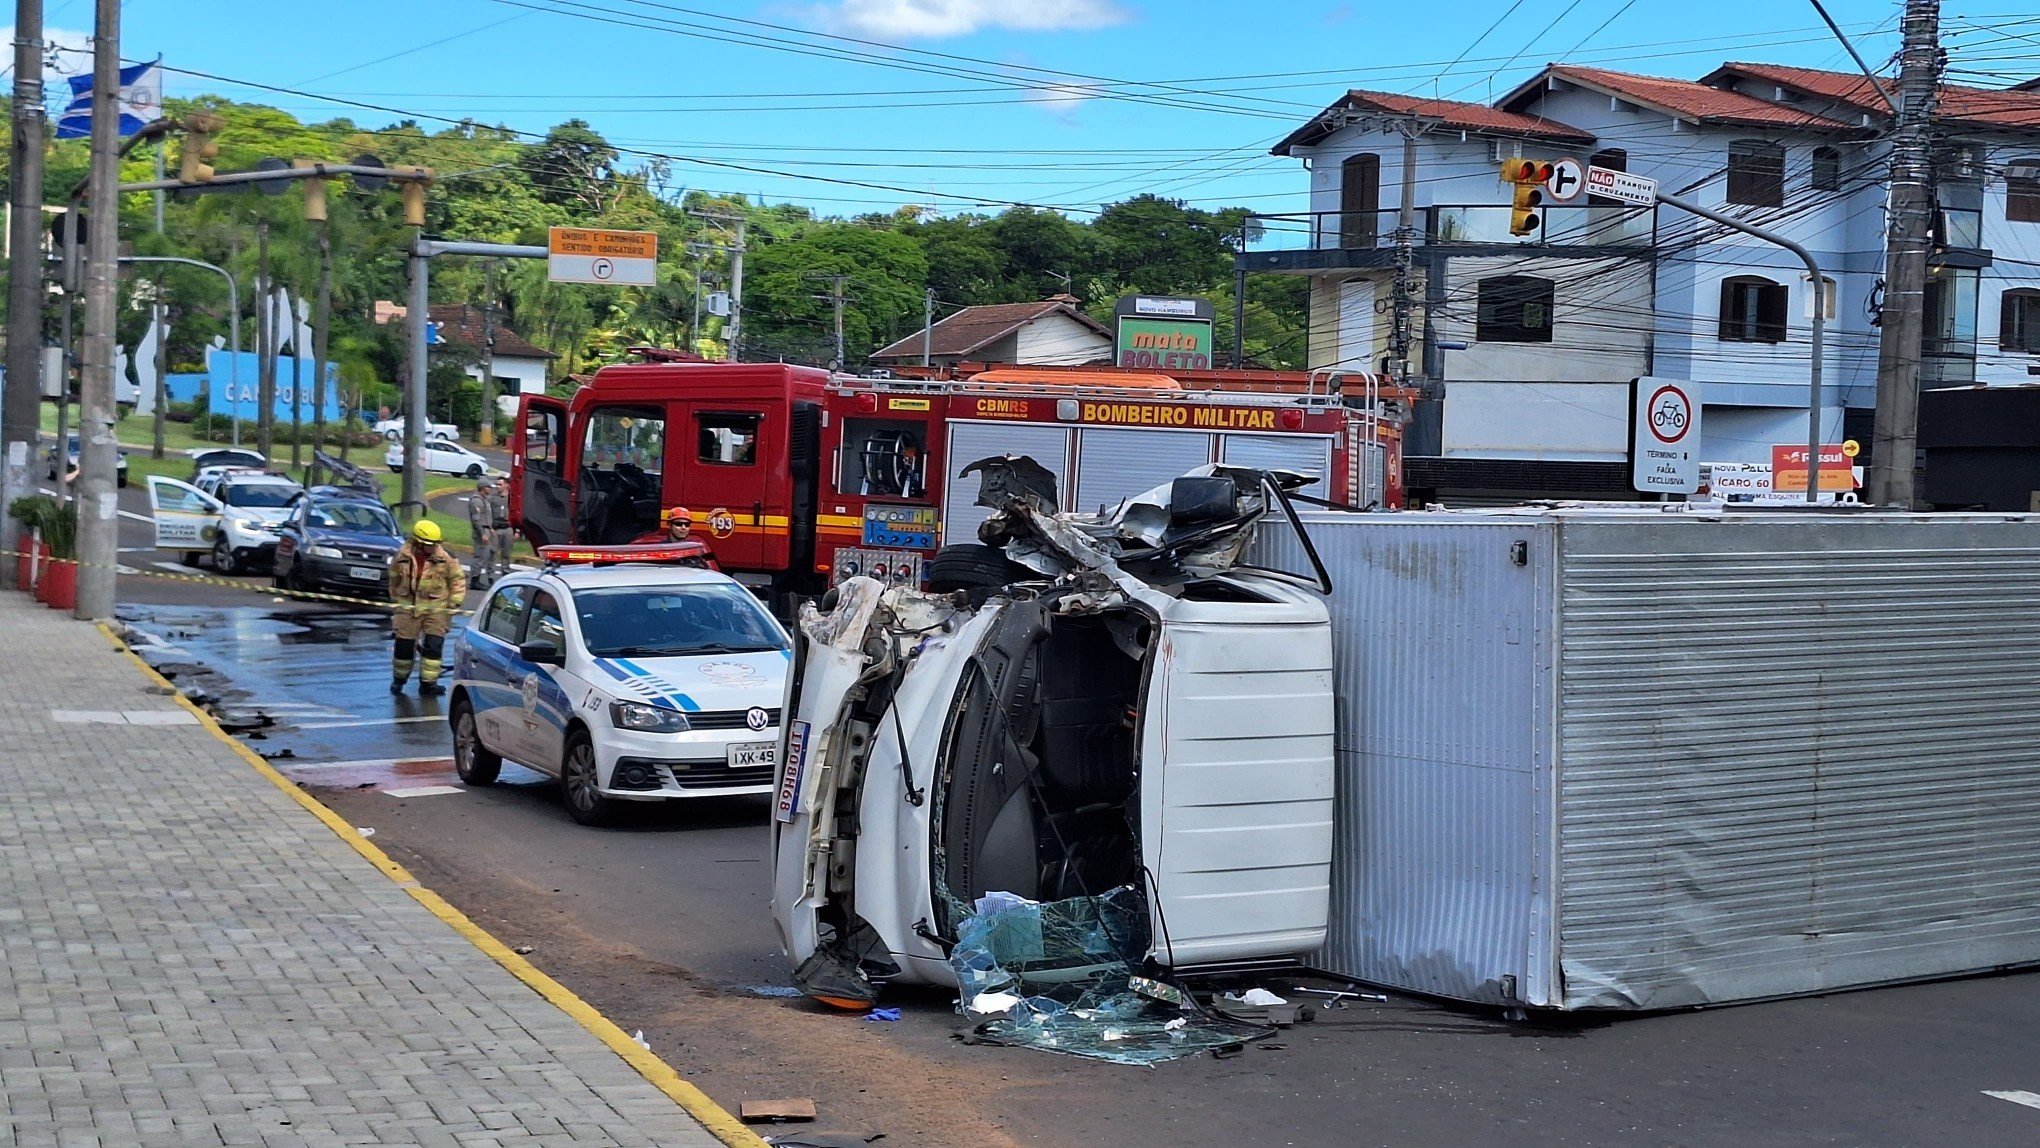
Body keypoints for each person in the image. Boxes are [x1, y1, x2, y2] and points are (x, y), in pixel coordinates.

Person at [388, 520, 468, 696]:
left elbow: (458, 580)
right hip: (408, 608)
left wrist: (454, 602)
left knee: (433, 647)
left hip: (436, 609)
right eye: (430, 545)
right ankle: (399, 680)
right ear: (419, 543)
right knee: (404, 648)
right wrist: (397, 601)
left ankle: (428, 684)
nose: (434, 548)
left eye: (436, 545)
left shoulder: (446, 558)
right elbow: (394, 579)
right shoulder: (403, 556)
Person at [467, 476, 514, 582]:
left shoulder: (511, 498)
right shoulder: (489, 499)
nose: (497, 487)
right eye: (496, 484)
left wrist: (517, 530)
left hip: (507, 527)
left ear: (507, 485)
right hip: (495, 529)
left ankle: (505, 574)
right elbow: (480, 516)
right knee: (492, 553)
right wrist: (489, 528)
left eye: (500, 484)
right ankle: (489, 576)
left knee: (506, 553)